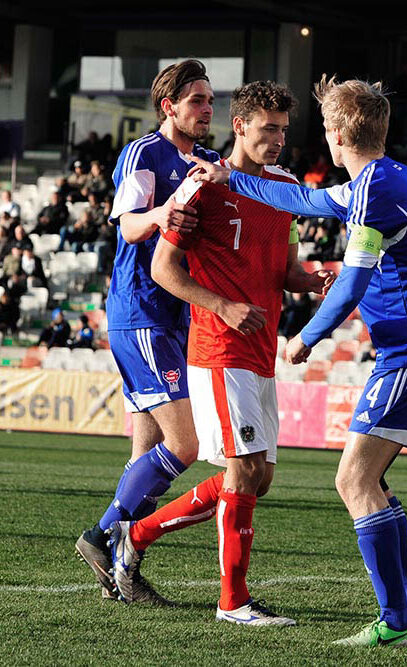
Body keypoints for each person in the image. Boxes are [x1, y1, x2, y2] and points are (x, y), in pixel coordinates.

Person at [191, 74, 407, 648]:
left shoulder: (375, 191)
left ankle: (395, 622)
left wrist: (304, 337)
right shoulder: (387, 178)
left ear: (336, 133)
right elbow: (307, 200)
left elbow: (352, 285)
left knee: (353, 479)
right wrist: (232, 177)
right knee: (374, 483)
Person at [109, 80, 332, 626]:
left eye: (283, 129)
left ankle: (133, 535)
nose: (278, 140)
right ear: (240, 125)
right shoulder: (198, 188)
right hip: (217, 345)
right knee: (241, 471)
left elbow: (284, 270)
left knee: (257, 478)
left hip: (261, 350)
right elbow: (164, 269)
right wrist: (224, 307)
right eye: (268, 129)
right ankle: (233, 601)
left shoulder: (285, 189)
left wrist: (315, 279)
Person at [74, 59, 219, 604]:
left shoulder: (206, 161)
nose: (208, 110)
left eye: (210, 101)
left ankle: (123, 571)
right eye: (198, 100)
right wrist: (161, 213)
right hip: (142, 314)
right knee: (184, 444)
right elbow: (128, 224)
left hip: (176, 314)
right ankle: (103, 531)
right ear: (170, 106)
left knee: (147, 453)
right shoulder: (144, 154)